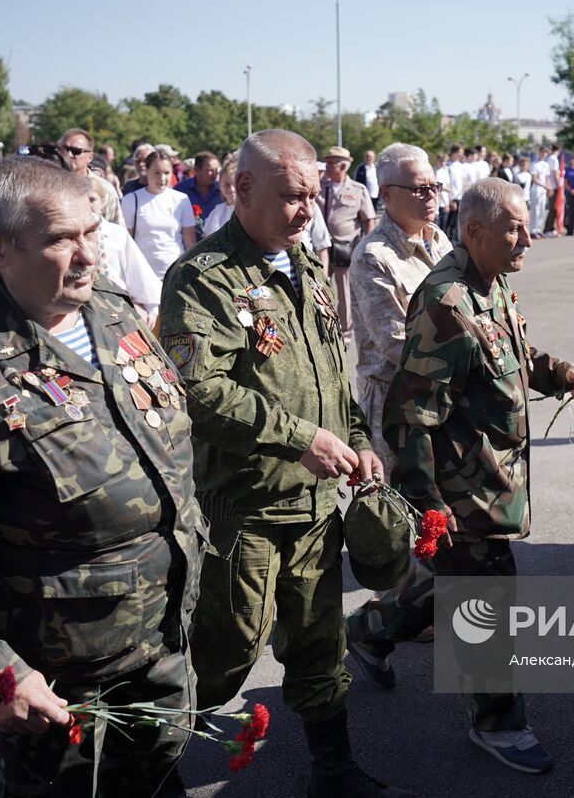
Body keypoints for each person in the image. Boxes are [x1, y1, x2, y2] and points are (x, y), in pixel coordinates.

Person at [0, 156, 204, 797]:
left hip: (165, 638)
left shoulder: (111, 309)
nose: (88, 253)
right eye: (62, 238)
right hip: (60, 678)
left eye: (92, 229)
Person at [158, 129, 410, 797]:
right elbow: (200, 390)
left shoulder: (304, 270)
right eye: (290, 196)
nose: (304, 210)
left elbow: (332, 371)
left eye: (311, 196)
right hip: (246, 509)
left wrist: (358, 440)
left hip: (315, 505)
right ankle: (149, 768)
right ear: (241, 190)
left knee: (319, 644)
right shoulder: (202, 277)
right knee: (226, 648)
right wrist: (298, 436)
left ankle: (333, 771)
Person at [381, 178, 574, 774]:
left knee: (450, 588)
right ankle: (498, 722)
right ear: (475, 233)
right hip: (461, 490)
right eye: (515, 229)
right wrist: (425, 506)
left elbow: (512, 359)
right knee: (487, 603)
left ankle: (369, 633)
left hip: (492, 481)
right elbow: (411, 414)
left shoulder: (491, 285)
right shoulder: (447, 301)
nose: (529, 238)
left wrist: (561, 373)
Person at [343, 143, 453, 687]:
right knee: (406, 515)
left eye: (434, 186)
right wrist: (473, 353)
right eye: (418, 188)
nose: (430, 195)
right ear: (386, 195)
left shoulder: (439, 240)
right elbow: (395, 343)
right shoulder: (372, 257)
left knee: (434, 512)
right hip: (395, 403)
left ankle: (407, 614)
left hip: (442, 399)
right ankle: (382, 623)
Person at [317, 145, 376, 336]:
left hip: (345, 247)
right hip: (321, 247)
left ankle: (344, 330)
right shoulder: (319, 186)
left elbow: (369, 220)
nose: (326, 166)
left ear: (343, 167)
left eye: (331, 163)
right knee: (319, 287)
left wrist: (365, 247)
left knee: (344, 291)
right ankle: (323, 325)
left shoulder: (358, 190)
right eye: (326, 162)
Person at [86, 174, 162, 320]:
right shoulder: (69, 236)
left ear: (102, 202)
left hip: (116, 302)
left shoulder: (117, 233)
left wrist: (150, 306)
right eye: (80, 200)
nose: (87, 204)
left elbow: (137, 270)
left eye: (92, 199)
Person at [122, 150, 197, 280]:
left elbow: (190, 243)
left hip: (175, 274)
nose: (162, 178)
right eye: (156, 172)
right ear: (146, 170)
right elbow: (126, 242)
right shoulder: (131, 199)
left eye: (166, 173)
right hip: (142, 275)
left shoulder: (181, 199)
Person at [177, 151, 223, 221]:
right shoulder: (180, 190)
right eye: (210, 170)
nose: (214, 174)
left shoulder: (222, 191)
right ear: (196, 170)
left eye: (216, 170)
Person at [201, 154, 238, 236]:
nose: (231, 189)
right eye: (226, 184)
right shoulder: (217, 211)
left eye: (234, 184)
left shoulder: (250, 211)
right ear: (220, 186)